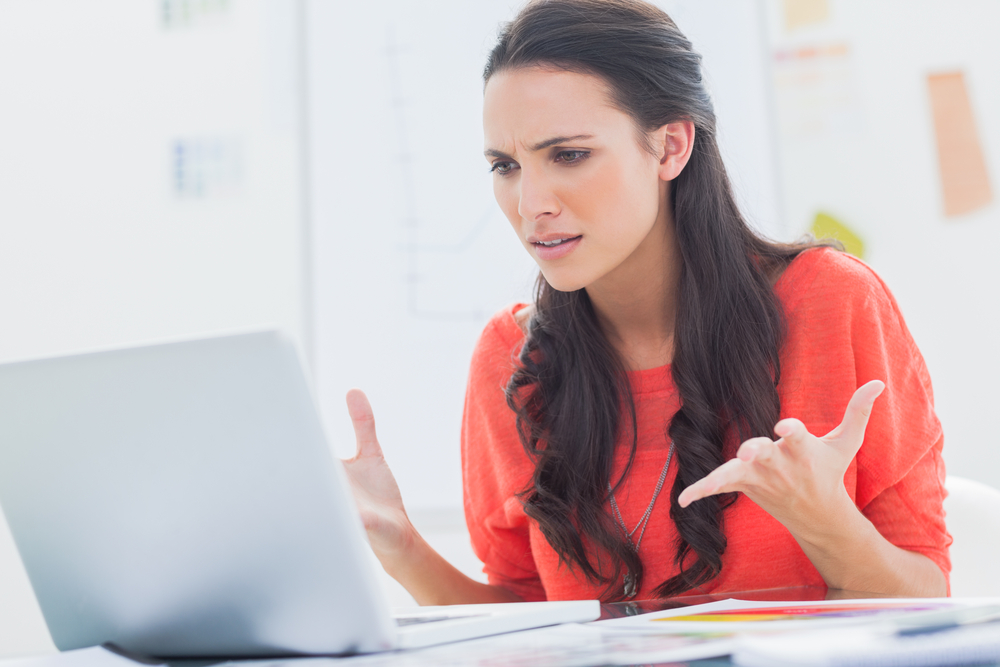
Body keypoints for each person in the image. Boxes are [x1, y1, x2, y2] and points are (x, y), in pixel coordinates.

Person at [343, 0, 950, 604]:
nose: (530, 205)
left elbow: (929, 596)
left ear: (670, 147)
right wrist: (401, 548)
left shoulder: (832, 302)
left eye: (569, 155)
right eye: (505, 166)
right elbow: (525, 622)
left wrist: (824, 522)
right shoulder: (513, 358)